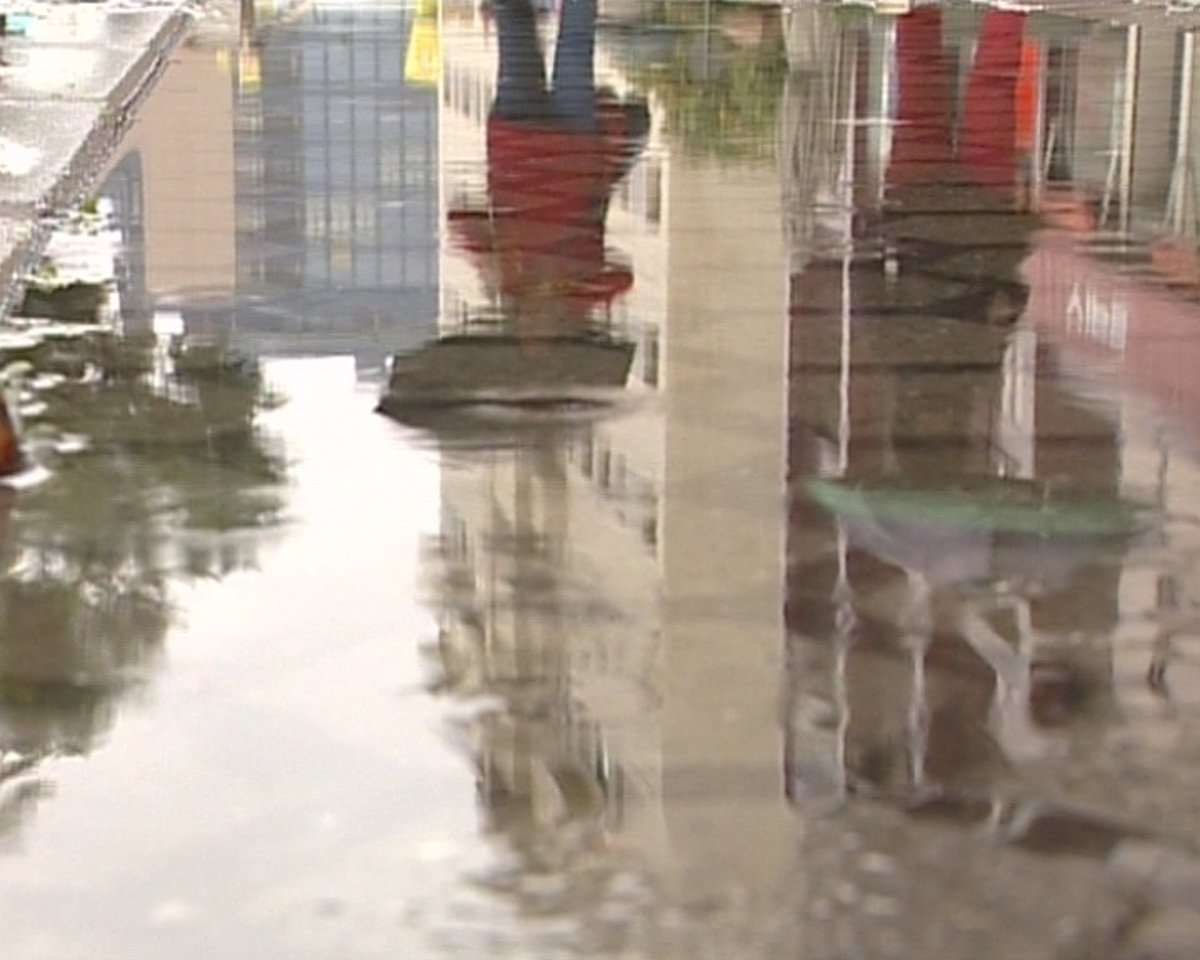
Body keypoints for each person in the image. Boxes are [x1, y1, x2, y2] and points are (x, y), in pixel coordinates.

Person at [448, 0, 649, 335]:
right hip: (574, 141)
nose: (535, 322)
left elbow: (458, 219)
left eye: (526, 331)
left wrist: (487, 262)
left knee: (514, 19)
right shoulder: (579, 294)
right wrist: (569, 294)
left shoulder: (505, 281)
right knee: (576, 38)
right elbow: (622, 279)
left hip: (516, 137)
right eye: (542, 331)